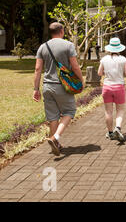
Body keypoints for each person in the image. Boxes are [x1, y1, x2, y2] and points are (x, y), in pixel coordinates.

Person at [33, 22, 84, 156]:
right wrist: (81, 80)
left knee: (53, 116)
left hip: (47, 86)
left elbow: (38, 69)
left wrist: (35, 89)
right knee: (70, 111)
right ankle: (55, 138)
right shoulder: (68, 45)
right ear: (61, 31)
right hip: (62, 86)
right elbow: (75, 66)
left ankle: (55, 145)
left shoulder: (43, 47)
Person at [98, 38, 126, 141]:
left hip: (107, 87)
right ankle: (118, 128)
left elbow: (99, 73)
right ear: (119, 48)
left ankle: (110, 133)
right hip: (119, 87)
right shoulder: (123, 59)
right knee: (120, 110)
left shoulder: (104, 59)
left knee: (108, 111)